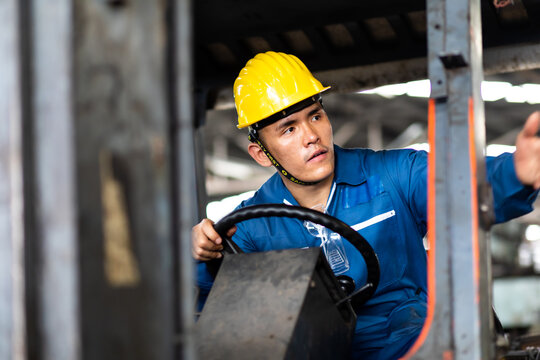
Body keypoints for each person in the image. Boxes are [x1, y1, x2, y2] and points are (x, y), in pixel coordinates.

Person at [192, 51, 540, 359]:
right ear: (261, 154)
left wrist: (513, 174)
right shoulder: (250, 228)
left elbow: (459, 187)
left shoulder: (393, 176)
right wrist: (201, 259)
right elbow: (219, 320)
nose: (311, 135)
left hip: (410, 343)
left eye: (315, 116)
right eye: (288, 129)